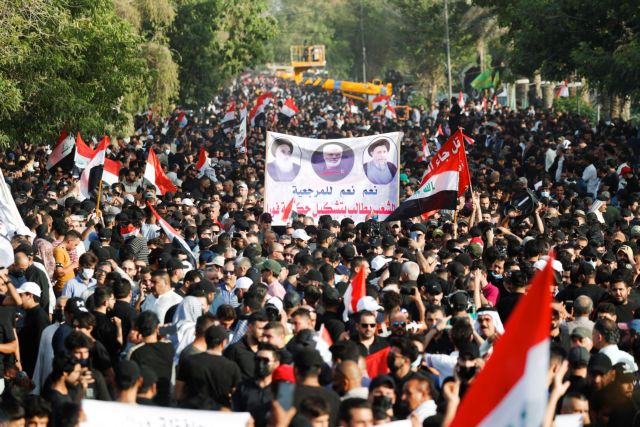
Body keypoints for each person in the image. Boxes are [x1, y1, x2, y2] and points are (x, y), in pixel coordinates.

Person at [175, 325, 242, 409]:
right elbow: (237, 397)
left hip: (193, 413)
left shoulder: (189, 361)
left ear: (206, 339)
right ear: (223, 343)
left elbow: (178, 394)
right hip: (219, 415)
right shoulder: (232, 367)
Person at [127, 311, 175, 407]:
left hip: (142, 401)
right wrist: (161, 334)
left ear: (138, 329)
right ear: (157, 327)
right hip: (166, 399)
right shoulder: (169, 347)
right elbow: (165, 340)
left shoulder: (135, 351)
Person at [17, 282, 50, 378]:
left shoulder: (40, 317)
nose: (18, 298)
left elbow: (39, 346)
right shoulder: (30, 313)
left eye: (21, 295)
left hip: (33, 369)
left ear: (29, 296)